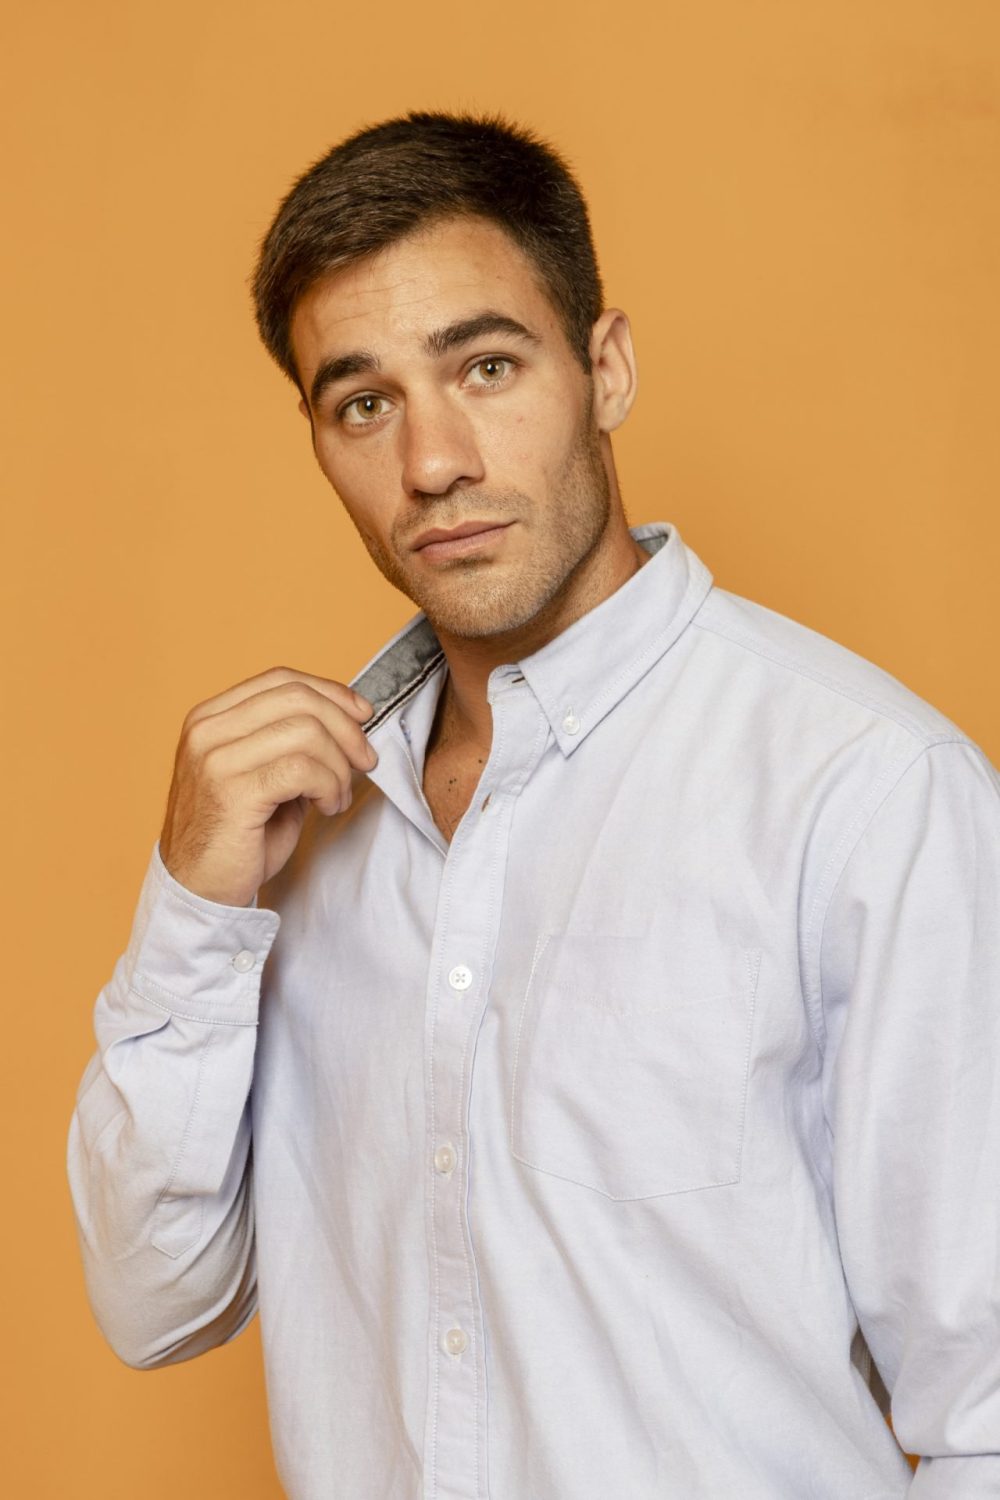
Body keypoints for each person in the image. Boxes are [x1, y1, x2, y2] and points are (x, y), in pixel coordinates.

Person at [67, 109, 1000, 1500]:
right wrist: (194, 905)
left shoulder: (865, 792)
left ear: (604, 369)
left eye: (486, 366)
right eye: (364, 403)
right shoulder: (294, 827)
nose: (432, 462)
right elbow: (157, 1304)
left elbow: (986, 1410)